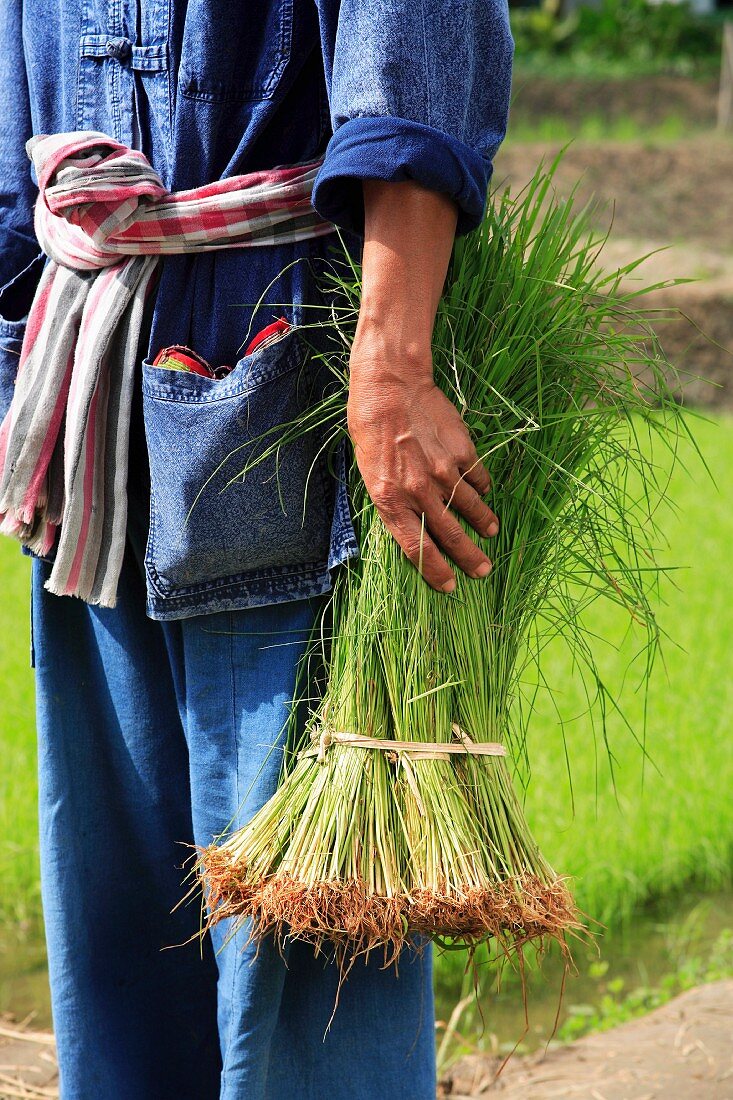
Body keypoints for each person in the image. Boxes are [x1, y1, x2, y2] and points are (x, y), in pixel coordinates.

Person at [0, 1, 513, 1096]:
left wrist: (395, 360)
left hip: (294, 411)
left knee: (310, 933)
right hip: (86, 419)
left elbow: (412, 63)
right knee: (126, 921)